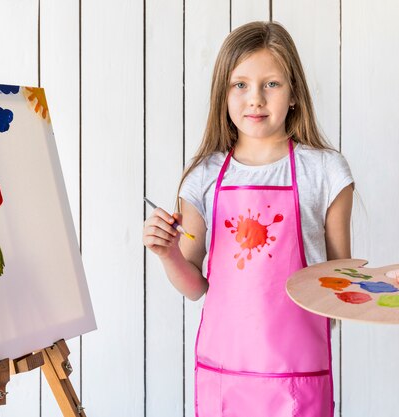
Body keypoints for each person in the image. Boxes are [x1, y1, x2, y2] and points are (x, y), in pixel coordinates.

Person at [143, 21, 354, 417]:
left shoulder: (327, 172)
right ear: (223, 94)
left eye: (270, 84)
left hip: (299, 375)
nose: (255, 98)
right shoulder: (203, 176)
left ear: (294, 93)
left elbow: (339, 280)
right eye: (240, 84)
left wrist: (377, 292)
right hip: (224, 375)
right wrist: (168, 253)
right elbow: (194, 287)